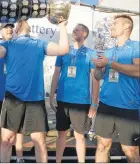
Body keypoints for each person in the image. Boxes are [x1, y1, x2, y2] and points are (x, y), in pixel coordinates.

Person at [0, 18, 69, 163]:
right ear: (16, 29)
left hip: (35, 100)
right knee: (6, 140)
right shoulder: (9, 44)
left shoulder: (39, 44)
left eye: (23, 20)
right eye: (19, 20)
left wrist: (62, 26)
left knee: (40, 142)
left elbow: (63, 49)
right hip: (13, 98)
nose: (21, 21)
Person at [93, 14, 140, 163]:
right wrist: (98, 68)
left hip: (128, 106)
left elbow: (138, 70)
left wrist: (111, 63)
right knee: (102, 146)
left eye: (115, 24)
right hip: (106, 105)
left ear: (127, 26)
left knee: (130, 150)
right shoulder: (108, 51)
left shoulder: (136, 47)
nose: (111, 26)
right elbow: (99, 76)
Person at [50, 23, 100, 163]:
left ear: (84, 34)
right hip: (63, 99)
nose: (73, 31)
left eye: (77, 30)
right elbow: (56, 74)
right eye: (73, 29)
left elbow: (95, 80)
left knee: (79, 136)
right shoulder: (64, 51)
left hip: (81, 102)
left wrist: (94, 104)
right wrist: (52, 95)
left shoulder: (91, 54)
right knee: (61, 134)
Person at [0, 23, 25, 163]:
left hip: (16, 96)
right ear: (0, 31)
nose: (9, 29)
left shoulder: (19, 48)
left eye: (11, 27)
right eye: (5, 27)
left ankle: (19, 158)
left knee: (18, 129)